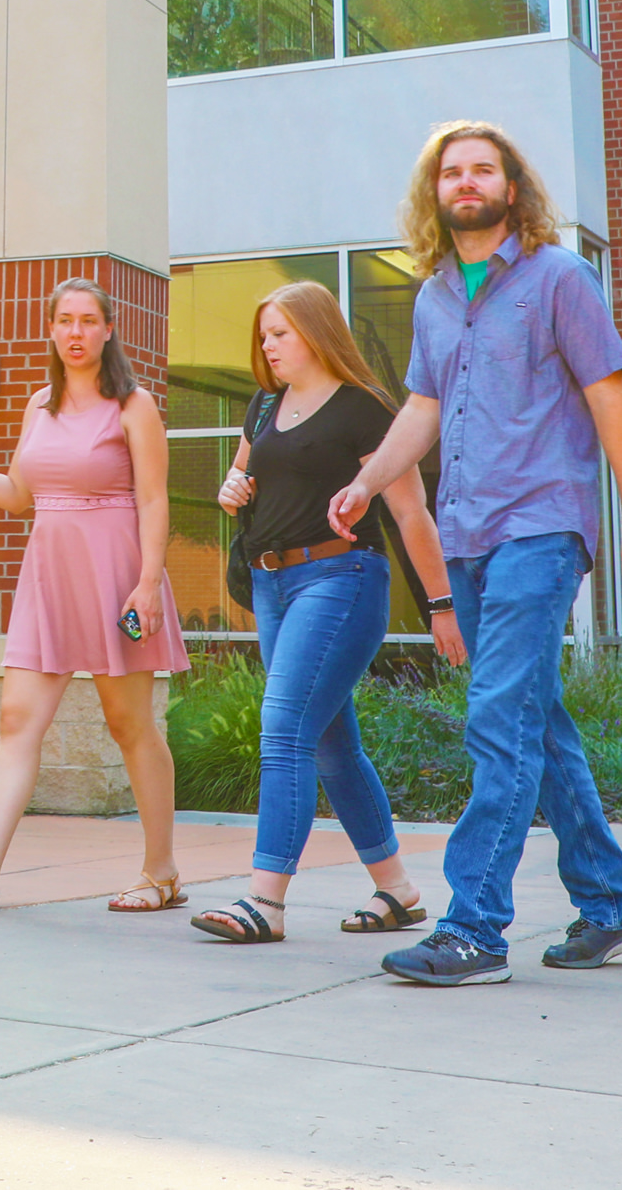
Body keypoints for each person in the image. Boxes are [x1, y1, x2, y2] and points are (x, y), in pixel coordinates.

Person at [328, 120, 622, 987]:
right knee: (534, 721)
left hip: (540, 527)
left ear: (511, 187)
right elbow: (422, 407)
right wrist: (367, 482)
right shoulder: (435, 296)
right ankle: (609, 902)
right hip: (468, 532)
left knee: (496, 717)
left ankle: (476, 925)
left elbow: (609, 394)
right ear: (435, 193)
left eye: (484, 169)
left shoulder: (559, 278)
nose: (468, 181)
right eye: (454, 171)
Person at [0, 278, 185, 916]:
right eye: (64, 321)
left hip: (117, 575)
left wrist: (148, 582)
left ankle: (161, 872)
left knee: (129, 725)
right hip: (48, 577)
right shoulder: (38, 405)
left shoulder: (134, 406)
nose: (75, 332)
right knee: (17, 721)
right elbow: (21, 496)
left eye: (88, 320)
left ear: (108, 330)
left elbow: (155, 499)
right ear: (51, 330)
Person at [190, 280, 463, 945]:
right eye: (264, 336)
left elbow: (408, 510)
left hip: (340, 578)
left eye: (279, 333)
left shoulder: (363, 409)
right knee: (334, 744)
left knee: (284, 727)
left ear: (315, 331)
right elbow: (241, 483)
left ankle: (266, 900)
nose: (268, 346)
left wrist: (442, 603)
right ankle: (398, 889)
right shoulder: (264, 406)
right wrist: (231, 491)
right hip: (272, 583)